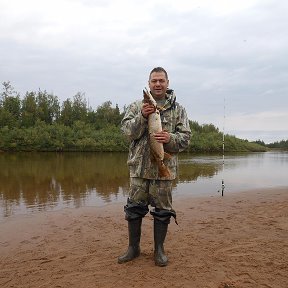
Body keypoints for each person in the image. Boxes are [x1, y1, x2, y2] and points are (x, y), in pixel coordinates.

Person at [118, 67, 191, 266]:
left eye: (161, 81)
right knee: (134, 209)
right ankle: (133, 248)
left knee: (163, 211)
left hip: (164, 171)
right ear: (149, 84)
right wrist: (142, 116)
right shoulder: (136, 106)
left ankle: (159, 250)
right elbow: (126, 133)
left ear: (167, 83)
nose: (157, 84)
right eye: (153, 81)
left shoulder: (179, 110)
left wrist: (170, 138)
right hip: (139, 170)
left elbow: (185, 140)